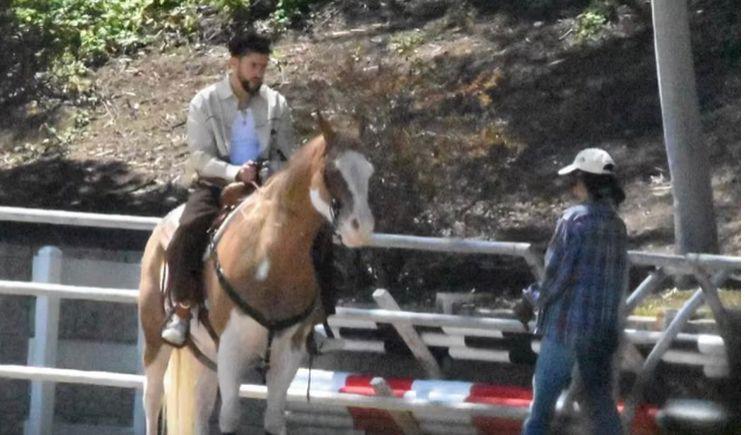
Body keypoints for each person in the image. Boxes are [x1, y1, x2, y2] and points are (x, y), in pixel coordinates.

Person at [162, 31, 305, 346]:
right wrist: (233, 172)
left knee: (313, 231)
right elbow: (199, 156)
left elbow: (287, 153)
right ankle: (183, 309)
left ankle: (316, 317)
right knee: (187, 230)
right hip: (215, 184)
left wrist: (270, 172)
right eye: (253, 65)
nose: (259, 73)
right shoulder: (205, 102)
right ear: (233, 63)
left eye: (263, 67)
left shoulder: (276, 103)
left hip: (265, 187)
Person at [514, 148, 628, 435]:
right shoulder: (617, 225)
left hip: (566, 328)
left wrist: (530, 299)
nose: (571, 187)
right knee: (601, 406)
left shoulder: (573, 221)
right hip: (601, 331)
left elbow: (556, 278)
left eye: (573, 180)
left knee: (541, 408)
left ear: (583, 182)